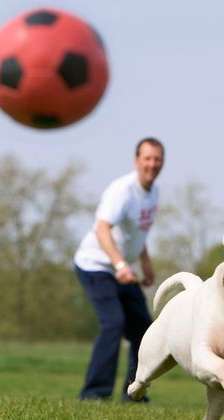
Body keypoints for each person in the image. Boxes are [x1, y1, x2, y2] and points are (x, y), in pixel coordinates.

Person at [73, 137, 164, 402]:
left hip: (122, 269)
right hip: (96, 266)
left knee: (144, 329)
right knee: (113, 323)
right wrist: (121, 265)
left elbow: (139, 231)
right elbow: (102, 229)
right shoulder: (122, 191)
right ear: (137, 160)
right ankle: (93, 394)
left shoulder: (154, 192)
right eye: (147, 158)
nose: (152, 164)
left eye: (157, 159)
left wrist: (145, 262)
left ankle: (134, 394)